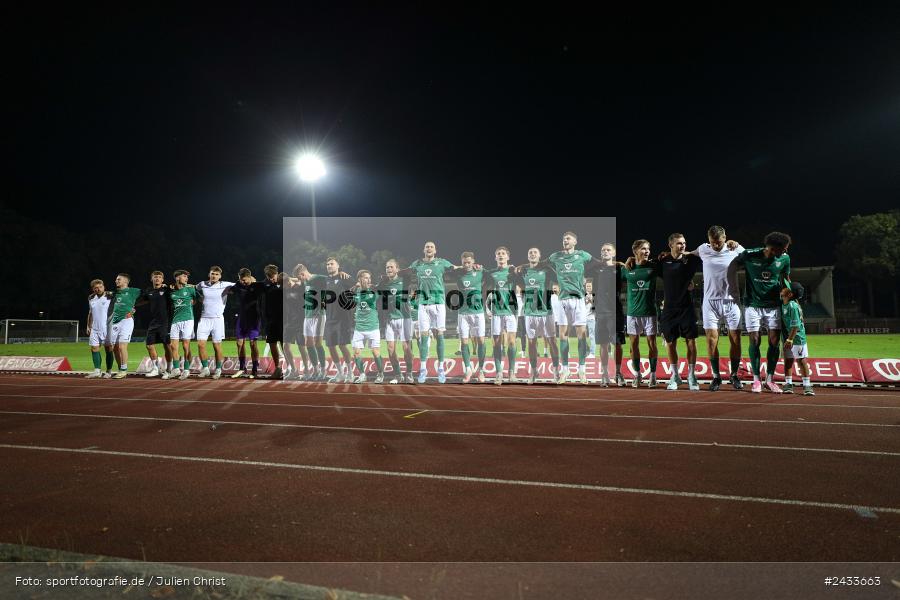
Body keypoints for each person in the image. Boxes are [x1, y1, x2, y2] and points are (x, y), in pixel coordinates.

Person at [734, 232, 792, 393]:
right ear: (773, 248)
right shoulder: (750, 255)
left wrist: (790, 297)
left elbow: (786, 278)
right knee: (755, 341)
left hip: (774, 306)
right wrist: (731, 243)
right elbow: (731, 263)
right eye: (783, 249)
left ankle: (770, 379)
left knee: (774, 342)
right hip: (753, 305)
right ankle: (756, 380)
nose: (785, 252)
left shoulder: (784, 259)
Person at [688, 226, 745, 391]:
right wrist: (667, 255)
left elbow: (752, 257)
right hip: (710, 303)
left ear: (725, 238)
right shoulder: (703, 249)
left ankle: (734, 375)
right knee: (711, 340)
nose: (716, 246)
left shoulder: (735, 248)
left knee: (736, 339)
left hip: (732, 302)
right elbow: (685, 255)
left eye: (719, 242)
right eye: (713, 242)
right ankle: (716, 377)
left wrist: (738, 244)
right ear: (708, 239)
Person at [544, 232, 595, 384]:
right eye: (564, 239)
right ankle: (565, 370)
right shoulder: (556, 256)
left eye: (568, 238)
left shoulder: (582, 255)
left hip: (578, 299)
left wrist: (614, 263)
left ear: (575, 241)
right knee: (563, 336)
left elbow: (598, 262)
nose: (565, 240)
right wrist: (523, 266)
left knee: (582, 335)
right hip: (562, 300)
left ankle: (582, 370)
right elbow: (540, 263)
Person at [404, 242, 458, 384]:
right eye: (427, 247)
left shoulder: (442, 262)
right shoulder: (417, 263)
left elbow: (455, 268)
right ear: (423, 250)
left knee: (440, 335)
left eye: (431, 247)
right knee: (423, 337)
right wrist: (392, 274)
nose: (429, 248)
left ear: (435, 250)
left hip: (439, 303)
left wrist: (470, 267)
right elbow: (406, 272)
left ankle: (440, 368)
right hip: (423, 303)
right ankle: (423, 369)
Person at [657, 234, 702, 391]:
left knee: (691, 341)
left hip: (687, 308)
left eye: (684, 243)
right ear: (670, 244)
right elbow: (643, 264)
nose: (683, 246)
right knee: (670, 343)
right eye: (679, 243)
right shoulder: (662, 262)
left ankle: (691, 376)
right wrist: (625, 261)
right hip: (669, 310)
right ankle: (675, 376)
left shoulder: (692, 260)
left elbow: (706, 249)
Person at [584, 243, 626, 387]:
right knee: (603, 344)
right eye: (603, 250)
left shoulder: (620, 268)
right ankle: (604, 373)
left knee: (618, 344)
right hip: (600, 313)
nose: (605, 252)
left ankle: (618, 373)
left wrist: (620, 263)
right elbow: (583, 270)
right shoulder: (596, 268)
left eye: (608, 250)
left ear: (613, 253)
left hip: (616, 312)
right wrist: (597, 262)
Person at [516, 247, 559, 384]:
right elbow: (512, 276)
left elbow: (560, 278)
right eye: (530, 253)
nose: (532, 254)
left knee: (552, 341)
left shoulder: (547, 270)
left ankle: (556, 371)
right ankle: (534, 371)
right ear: (527, 256)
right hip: (529, 312)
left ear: (540, 256)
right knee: (532, 342)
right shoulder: (523, 271)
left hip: (546, 311)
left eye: (535, 252)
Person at [622, 240, 661, 388]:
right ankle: (637, 375)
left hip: (650, 312)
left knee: (652, 344)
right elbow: (616, 267)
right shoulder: (627, 268)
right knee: (634, 345)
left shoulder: (653, 267)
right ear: (635, 251)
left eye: (648, 249)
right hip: (632, 313)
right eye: (643, 249)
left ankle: (653, 375)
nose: (647, 251)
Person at [376, 259, 416, 384]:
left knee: (406, 348)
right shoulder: (384, 284)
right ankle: (398, 375)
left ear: (397, 269)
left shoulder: (404, 280)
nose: (388, 269)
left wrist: (398, 271)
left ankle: (409, 373)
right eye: (387, 267)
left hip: (404, 318)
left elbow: (410, 272)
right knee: (390, 349)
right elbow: (375, 290)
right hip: (390, 319)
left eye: (391, 267)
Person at [485, 246, 519, 385]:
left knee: (511, 342)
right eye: (498, 254)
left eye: (503, 254)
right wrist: (487, 308)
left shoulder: (513, 272)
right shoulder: (491, 273)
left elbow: (523, 275)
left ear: (508, 257)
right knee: (497, 343)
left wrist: (516, 268)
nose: (500, 255)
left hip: (511, 312)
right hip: (497, 312)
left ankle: (511, 372)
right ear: (495, 258)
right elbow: (486, 289)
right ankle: (499, 372)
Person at [452, 253, 487, 383]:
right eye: (464, 262)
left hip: (478, 313)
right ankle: (468, 369)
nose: (466, 265)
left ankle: (481, 370)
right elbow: (447, 269)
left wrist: (481, 267)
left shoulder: (480, 271)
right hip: (463, 313)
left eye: (469, 262)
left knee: (481, 341)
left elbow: (491, 275)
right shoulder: (458, 273)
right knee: (464, 342)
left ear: (473, 261)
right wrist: (455, 267)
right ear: (462, 262)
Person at [195, 266, 235, 379]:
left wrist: (251, 279)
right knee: (200, 344)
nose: (214, 276)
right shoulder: (202, 284)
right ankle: (206, 369)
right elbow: (193, 289)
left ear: (220, 276)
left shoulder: (225, 285)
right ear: (209, 274)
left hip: (217, 320)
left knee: (216, 346)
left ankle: (218, 370)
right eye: (212, 273)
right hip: (204, 319)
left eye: (217, 274)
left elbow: (241, 283)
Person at [320, 258, 355, 383]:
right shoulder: (325, 280)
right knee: (330, 346)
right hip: (329, 318)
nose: (329, 266)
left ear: (338, 266)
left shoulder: (344, 277)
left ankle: (350, 373)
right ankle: (340, 373)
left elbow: (356, 288)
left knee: (342, 345)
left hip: (342, 318)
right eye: (327, 264)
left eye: (332, 264)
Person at [350, 270, 385, 383]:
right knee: (356, 352)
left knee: (375, 352)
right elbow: (350, 298)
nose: (368, 280)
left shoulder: (373, 290)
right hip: (359, 328)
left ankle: (380, 374)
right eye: (365, 278)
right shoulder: (357, 290)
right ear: (359, 279)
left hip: (373, 327)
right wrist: (355, 288)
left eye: (369, 277)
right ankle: (362, 375)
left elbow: (376, 296)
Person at [228, 268, 264, 378]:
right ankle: (242, 368)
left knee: (253, 344)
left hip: (254, 319)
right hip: (242, 318)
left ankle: (254, 369)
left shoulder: (257, 286)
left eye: (244, 280)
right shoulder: (238, 285)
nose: (242, 282)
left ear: (250, 277)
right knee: (239, 343)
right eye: (240, 280)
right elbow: (226, 287)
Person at [138, 271, 174, 379]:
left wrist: (170, 287)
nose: (157, 279)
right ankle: (155, 369)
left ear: (162, 280)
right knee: (149, 345)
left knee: (167, 345)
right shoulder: (149, 291)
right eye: (155, 277)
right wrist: (132, 307)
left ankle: (169, 368)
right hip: (154, 322)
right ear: (151, 279)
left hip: (165, 322)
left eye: (159, 277)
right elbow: (142, 300)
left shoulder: (166, 290)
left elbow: (176, 289)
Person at [780, 283, 814, 396]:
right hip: (787, 336)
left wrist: (789, 340)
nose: (783, 288)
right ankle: (788, 384)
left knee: (801, 360)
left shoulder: (792, 306)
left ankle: (807, 385)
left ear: (789, 294)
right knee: (788, 360)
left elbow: (796, 326)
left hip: (796, 337)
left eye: (786, 288)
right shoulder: (786, 302)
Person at [108, 273, 142, 378]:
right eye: (116, 279)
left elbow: (148, 296)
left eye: (119, 279)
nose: (116, 281)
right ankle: (120, 369)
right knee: (114, 348)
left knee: (122, 346)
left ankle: (123, 370)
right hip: (115, 321)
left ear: (126, 281)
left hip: (127, 320)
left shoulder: (134, 291)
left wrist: (134, 307)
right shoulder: (114, 293)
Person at [283, 264, 312, 380]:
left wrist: (293, 279)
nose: (287, 286)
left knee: (301, 347)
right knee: (285, 347)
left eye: (288, 283)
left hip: (301, 321)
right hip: (289, 322)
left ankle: (306, 370)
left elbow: (303, 280)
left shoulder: (300, 286)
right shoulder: (285, 289)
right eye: (285, 285)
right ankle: (294, 370)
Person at [168, 269, 196, 380]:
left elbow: (197, 299)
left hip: (188, 320)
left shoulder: (190, 289)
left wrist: (193, 303)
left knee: (185, 346)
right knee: (173, 346)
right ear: (177, 278)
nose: (186, 278)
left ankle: (186, 369)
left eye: (187, 277)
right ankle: (175, 369)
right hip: (175, 320)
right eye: (184, 276)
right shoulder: (171, 291)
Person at [260, 265, 286, 379]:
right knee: (272, 344)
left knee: (284, 344)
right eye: (268, 276)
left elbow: (296, 280)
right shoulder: (265, 285)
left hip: (283, 319)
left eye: (273, 276)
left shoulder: (284, 282)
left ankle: (291, 369)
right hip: (270, 320)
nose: (271, 278)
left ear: (277, 273)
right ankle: (278, 369)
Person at [85, 279, 114, 379]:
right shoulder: (91, 297)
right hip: (94, 328)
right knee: (94, 348)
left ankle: (109, 371)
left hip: (107, 327)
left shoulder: (110, 296)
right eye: (95, 288)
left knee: (108, 349)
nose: (98, 289)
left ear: (104, 286)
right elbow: (90, 313)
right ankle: (97, 371)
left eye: (100, 287)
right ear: (93, 289)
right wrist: (88, 326)